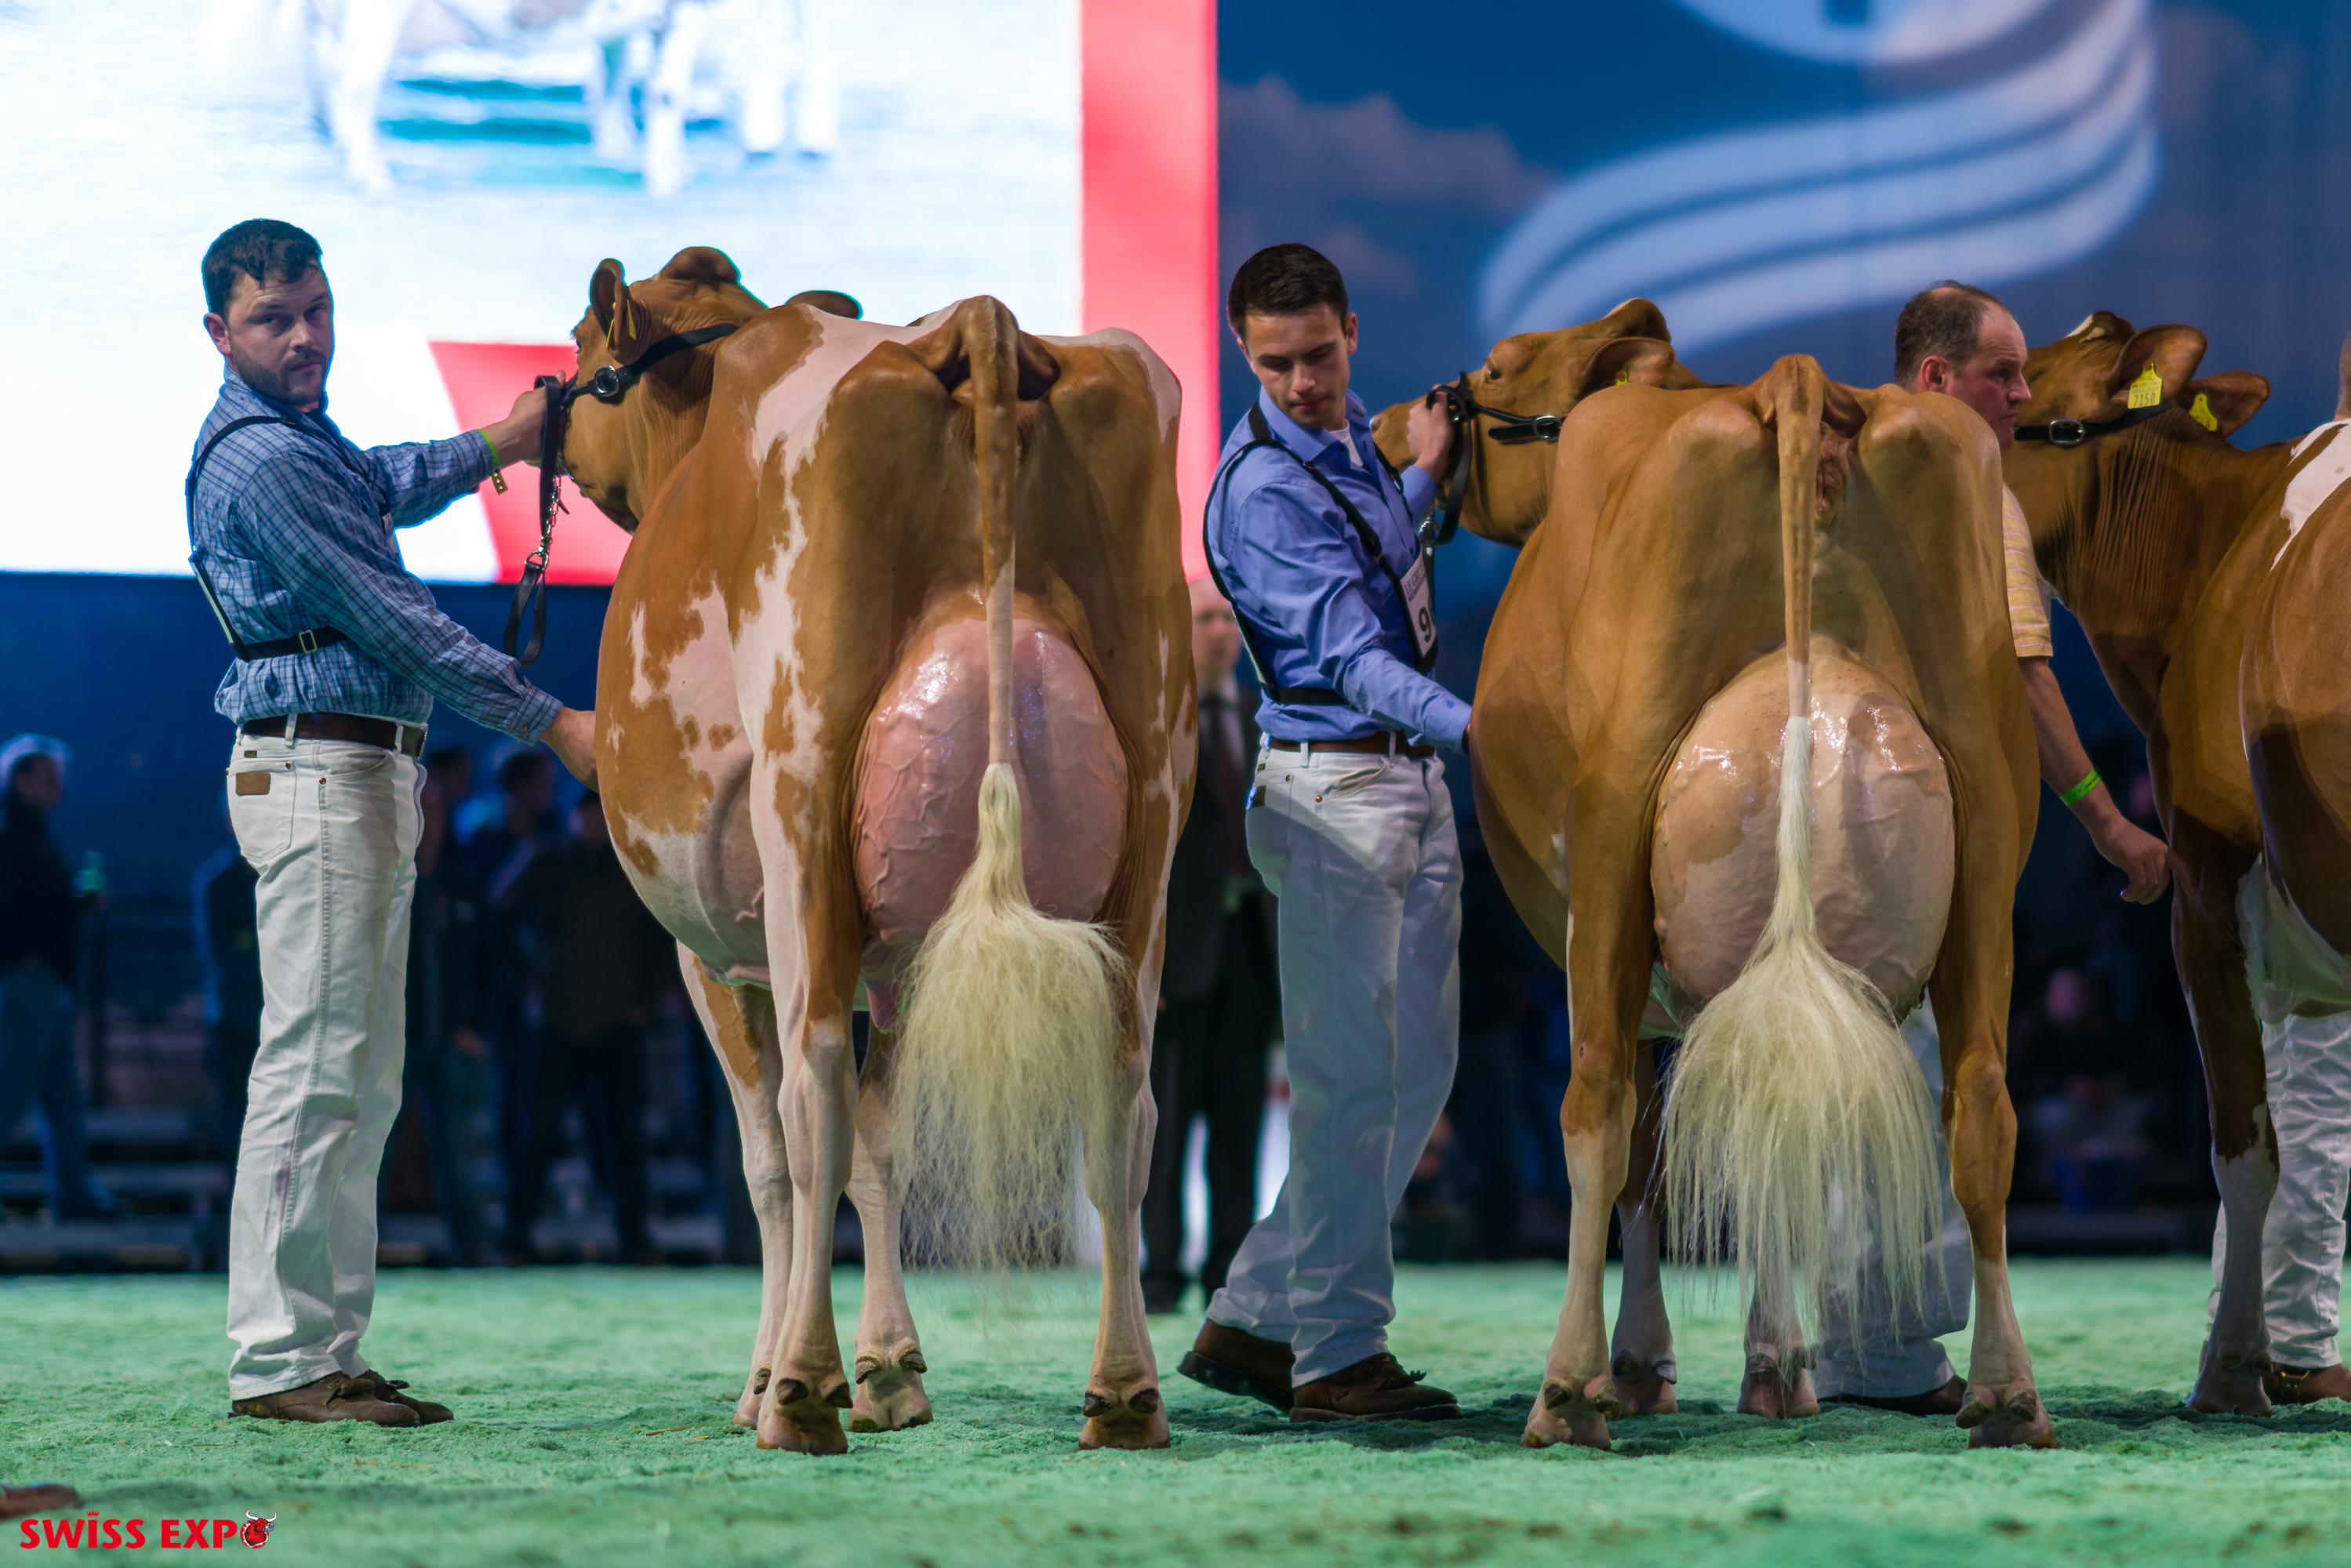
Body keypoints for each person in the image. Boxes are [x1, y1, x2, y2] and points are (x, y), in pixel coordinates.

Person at [191, 219, 596, 1428]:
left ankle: (322, 1349)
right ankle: (280, 1362)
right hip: (320, 769)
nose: (304, 336)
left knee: (358, 1078)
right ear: (220, 332)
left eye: (315, 309)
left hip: (351, 770)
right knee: (318, 1070)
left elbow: (380, 479)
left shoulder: (299, 442)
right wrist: (551, 722)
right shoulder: (264, 463)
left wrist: (498, 443)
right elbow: (394, 620)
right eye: (273, 319)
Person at [1810, 281, 2176, 1415]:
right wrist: (2108, 821)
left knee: (1812, 1069)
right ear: (1935, 380)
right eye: (2000, 375)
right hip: (1894, 822)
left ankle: (1792, 1343)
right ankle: (1878, 1354)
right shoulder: (1969, 482)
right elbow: (2024, 675)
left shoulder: (1812, 466)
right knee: (1917, 1071)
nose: (2020, 398)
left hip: (1772, 801)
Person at [1177, 243, 1467, 1423]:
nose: (1301, 382)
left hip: (1397, 780)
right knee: (1350, 1084)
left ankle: (1255, 1317)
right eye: (1274, 364)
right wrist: (1480, 727)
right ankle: (1337, 1356)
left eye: (1317, 355)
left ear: (1351, 331)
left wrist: (1423, 481)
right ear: (1243, 353)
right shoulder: (1258, 487)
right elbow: (1348, 654)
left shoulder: (1348, 438)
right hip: (1333, 787)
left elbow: (1367, 560)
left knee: (1415, 1072)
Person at [2206, 328, 2351, 1405]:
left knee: (2290, 1082)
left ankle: (2264, 1333)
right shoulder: (2316, 487)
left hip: (2266, 829)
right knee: (2313, 1084)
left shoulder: (2291, 482)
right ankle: (2288, 1343)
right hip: (2305, 823)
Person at [1142, 578, 1280, 1314]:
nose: (1222, 632)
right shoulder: (1156, 725)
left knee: (1240, 1124)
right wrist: (1143, 962)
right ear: (1178, 630)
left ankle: (1228, 1269)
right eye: (1205, 619)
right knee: (1163, 1127)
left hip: (1251, 953)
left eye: (1230, 618)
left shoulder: (1264, 722)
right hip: (1177, 959)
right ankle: (1161, 1273)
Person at [493, 793, 675, 1265]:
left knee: (622, 1136)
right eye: (586, 814)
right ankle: (516, 1234)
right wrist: (526, 984)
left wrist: (644, 1003)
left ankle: (633, 1237)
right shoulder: (547, 860)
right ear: (574, 817)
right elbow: (497, 919)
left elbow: (664, 936)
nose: (592, 822)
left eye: (599, 814)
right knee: (535, 1133)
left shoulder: (634, 866)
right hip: (554, 1023)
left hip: (617, 1025)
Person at [378, 752, 492, 1266]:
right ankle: (355, 1250)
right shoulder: (383, 886)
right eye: (420, 811)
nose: (430, 823)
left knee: (457, 1154)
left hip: (449, 1041)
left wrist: (474, 1025)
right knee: (376, 1150)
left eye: (438, 812)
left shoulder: (463, 883)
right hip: (394, 1041)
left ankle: (473, 1247)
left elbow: (490, 964)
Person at [0, 736, 112, 1219]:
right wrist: (21, 956)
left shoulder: (31, 835)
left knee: (62, 1098)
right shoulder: (12, 835)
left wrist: (74, 904)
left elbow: (41, 906)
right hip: (30, 983)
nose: (57, 787)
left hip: (46, 983)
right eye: (49, 777)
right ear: (21, 780)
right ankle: (74, 1196)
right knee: (11, 1092)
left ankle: (74, 1196)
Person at [191, 826, 263, 1156]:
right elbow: (224, 954)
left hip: (258, 1018)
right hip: (237, 1022)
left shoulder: (219, 881)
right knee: (239, 1122)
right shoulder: (217, 881)